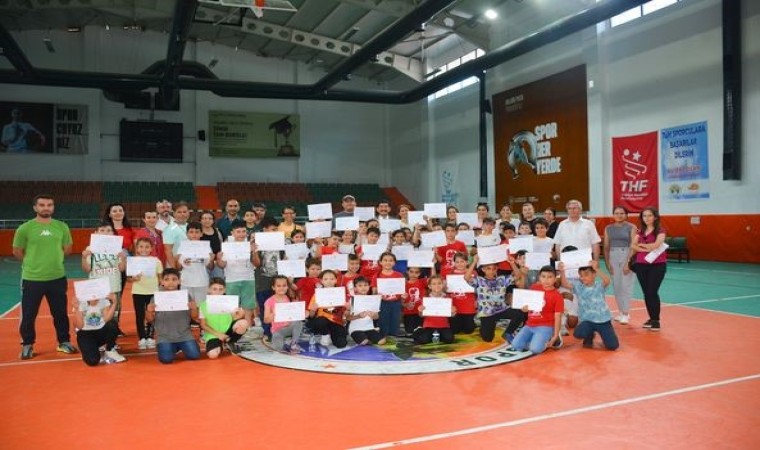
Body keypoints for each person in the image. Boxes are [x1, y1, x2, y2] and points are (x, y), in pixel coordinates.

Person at [13, 194, 77, 359]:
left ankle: (64, 342)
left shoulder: (62, 227)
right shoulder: (25, 228)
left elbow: (68, 249)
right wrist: (33, 263)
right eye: (42, 205)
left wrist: (53, 261)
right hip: (32, 279)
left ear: (53, 207)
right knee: (29, 315)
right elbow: (17, 251)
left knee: (60, 313)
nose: (46, 208)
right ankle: (27, 344)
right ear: (35, 207)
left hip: (57, 277)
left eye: (49, 205)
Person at [81, 222, 127, 341]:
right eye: (102, 230)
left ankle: (111, 342)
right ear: (95, 233)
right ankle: (99, 341)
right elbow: (87, 269)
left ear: (113, 233)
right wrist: (84, 257)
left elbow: (122, 269)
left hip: (113, 286)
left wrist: (123, 258)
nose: (105, 233)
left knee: (113, 315)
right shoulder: (90, 249)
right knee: (97, 314)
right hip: (97, 289)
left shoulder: (118, 249)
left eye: (108, 230)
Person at [464, 255, 526, 343]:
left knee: (520, 313)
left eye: (494, 269)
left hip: (501, 309)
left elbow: (518, 276)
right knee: (488, 338)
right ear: (483, 269)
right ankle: (485, 325)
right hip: (487, 313)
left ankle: (508, 333)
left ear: (497, 269)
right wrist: (474, 262)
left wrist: (512, 263)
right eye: (488, 268)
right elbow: (466, 278)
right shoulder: (479, 281)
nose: (491, 271)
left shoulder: (502, 279)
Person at [559, 261, 619, 350]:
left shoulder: (599, 285)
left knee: (613, 346)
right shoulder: (578, 287)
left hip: (603, 321)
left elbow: (607, 280)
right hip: (588, 321)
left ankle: (605, 334)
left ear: (594, 274)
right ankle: (589, 335)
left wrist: (596, 269)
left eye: (586, 275)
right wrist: (562, 271)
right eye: (581, 275)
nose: (583, 278)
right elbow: (565, 284)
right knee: (578, 333)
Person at [145, 269, 201, 364]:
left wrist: (194, 309)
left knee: (194, 355)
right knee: (166, 359)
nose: (170, 282)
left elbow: (194, 317)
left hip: (184, 334)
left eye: (174, 279)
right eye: (167, 279)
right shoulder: (156, 298)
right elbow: (149, 319)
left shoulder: (186, 296)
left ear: (179, 281)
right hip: (164, 336)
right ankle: (173, 347)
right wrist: (149, 311)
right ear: (162, 282)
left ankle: (177, 346)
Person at [509, 265, 564, 354]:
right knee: (516, 345)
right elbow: (527, 305)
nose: (546, 280)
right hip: (530, 324)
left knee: (535, 349)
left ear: (555, 279)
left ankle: (548, 338)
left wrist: (556, 335)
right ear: (539, 277)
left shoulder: (557, 296)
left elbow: (558, 316)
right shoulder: (535, 287)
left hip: (545, 326)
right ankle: (537, 340)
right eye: (543, 276)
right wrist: (524, 309)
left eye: (550, 277)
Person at [632, 207, 667, 331]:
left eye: (649, 215)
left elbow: (656, 245)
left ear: (655, 217)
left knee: (652, 292)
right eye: (644, 216)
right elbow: (633, 245)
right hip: (641, 265)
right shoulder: (640, 231)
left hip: (658, 265)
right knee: (646, 293)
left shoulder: (660, 231)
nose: (646, 218)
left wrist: (641, 246)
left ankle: (656, 321)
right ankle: (651, 318)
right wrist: (647, 247)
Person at [216, 220, 257, 325]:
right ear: (232, 233)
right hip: (231, 279)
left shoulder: (250, 244)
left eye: (244, 231)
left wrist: (253, 252)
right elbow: (222, 265)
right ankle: (232, 328)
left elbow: (256, 263)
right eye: (238, 232)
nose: (241, 234)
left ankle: (248, 327)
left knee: (248, 305)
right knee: (232, 306)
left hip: (248, 278)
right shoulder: (227, 245)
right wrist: (219, 258)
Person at [200, 278, 249, 358]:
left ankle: (231, 342)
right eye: (214, 289)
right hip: (213, 334)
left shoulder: (230, 302)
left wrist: (240, 314)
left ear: (224, 290)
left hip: (228, 331)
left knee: (244, 323)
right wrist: (218, 334)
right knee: (213, 355)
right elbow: (203, 325)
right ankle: (221, 345)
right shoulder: (203, 305)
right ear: (209, 290)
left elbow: (235, 319)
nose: (218, 292)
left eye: (220, 289)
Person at [604, 206, 637, 324]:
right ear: (613, 215)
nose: (619, 215)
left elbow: (634, 246)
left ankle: (626, 313)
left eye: (622, 213)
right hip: (613, 256)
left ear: (626, 215)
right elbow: (606, 247)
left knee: (626, 285)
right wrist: (607, 263)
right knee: (617, 286)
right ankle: (621, 312)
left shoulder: (632, 227)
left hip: (627, 254)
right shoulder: (608, 228)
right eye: (616, 213)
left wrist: (628, 263)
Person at [129, 237, 162, 350]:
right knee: (140, 315)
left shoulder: (156, 261)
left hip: (152, 291)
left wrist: (161, 290)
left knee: (151, 314)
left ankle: (150, 336)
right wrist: (133, 278)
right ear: (137, 248)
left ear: (151, 248)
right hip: (138, 292)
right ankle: (142, 337)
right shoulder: (133, 261)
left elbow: (160, 277)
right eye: (141, 247)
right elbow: (129, 279)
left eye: (147, 247)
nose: (144, 249)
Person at [72, 292, 122, 366]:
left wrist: (114, 303)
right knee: (92, 361)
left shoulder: (104, 301)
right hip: (85, 334)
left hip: (100, 331)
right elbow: (79, 326)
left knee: (112, 325)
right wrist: (76, 308)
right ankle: (92, 348)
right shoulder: (80, 303)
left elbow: (107, 319)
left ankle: (110, 350)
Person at [176, 222, 215, 308]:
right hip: (186, 281)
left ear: (201, 233)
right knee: (187, 306)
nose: (194, 234)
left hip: (202, 282)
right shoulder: (182, 247)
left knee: (202, 307)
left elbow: (210, 267)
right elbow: (178, 268)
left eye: (197, 232)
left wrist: (211, 260)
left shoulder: (206, 247)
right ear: (187, 234)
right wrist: (181, 262)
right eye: (191, 232)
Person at [307, 270, 349, 348]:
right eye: (326, 279)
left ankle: (332, 335)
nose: (329, 281)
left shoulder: (340, 293)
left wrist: (348, 308)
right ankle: (325, 334)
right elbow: (311, 316)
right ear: (321, 281)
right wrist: (313, 310)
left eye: (332, 279)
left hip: (337, 322)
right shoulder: (317, 294)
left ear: (336, 280)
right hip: (323, 321)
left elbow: (346, 314)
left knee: (341, 344)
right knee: (320, 321)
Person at [264, 276, 303, 353]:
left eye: (284, 285)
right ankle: (286, 341)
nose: (281, 288)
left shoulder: (289, 297)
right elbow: (266, 320)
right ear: (273, 287)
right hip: (278, 330)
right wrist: (274, 313)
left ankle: (293, 343)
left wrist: (299, 311)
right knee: (278, 349)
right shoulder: (269, 301)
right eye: (278, 286)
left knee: (298, 322)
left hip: (289, 327)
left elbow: (295, 313)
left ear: (287, 287)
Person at [413, 275, 456, 345]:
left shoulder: (447, 298)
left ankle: (436, 335)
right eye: (434, 284)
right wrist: (420, 311)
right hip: (429, 326)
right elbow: (421, 315)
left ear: (443, 285)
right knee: (423, 340)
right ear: (430, 286)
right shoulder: (426, 299)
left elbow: (451, 315)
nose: (437, 285)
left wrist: (453, 312)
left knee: (449, 339)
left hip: (443, 325)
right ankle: (424, 331)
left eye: (439, 283)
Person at [347, 276, 386, 346]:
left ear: (369, 286)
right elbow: (348, 318)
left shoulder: (373, 299)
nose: (363, 287)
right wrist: (358, 316)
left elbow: (377, 317)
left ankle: (369, 336)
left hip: (369, 328)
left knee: (382, 341)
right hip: (356, 329)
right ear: (355, 288)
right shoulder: (353, 300)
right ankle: (359, 337)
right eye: (360, 286)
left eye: (365, 285)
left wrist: (373, 315)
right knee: (364, 342)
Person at [446, 252, 476, 334]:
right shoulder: (450, 273)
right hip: (455, 307)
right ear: (454, 263)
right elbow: (446, 290)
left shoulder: (473, 273)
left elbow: (477, 288)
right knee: (454, 330)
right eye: (457, 262)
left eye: (462, 261)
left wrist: (477, 300)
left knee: (469, 330)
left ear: (467, 262)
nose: (460, 264)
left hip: (468, 307)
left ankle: (470, 322)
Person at [162, 201, 190, 269]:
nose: (182, 214)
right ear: (174, 214)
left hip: (189, 264)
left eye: (184, 212)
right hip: (175, 266)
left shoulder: (190, 226)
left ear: (188, 213)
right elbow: (168, 251)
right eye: (179, 212)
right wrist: (174, 269)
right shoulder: (169, 229)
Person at [199, 211, 223, 277]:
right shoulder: (197, 233)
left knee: (219, 281)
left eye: (210, 218)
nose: (207, 220)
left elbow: (221, 245)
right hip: (203, 264)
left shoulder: (217, 231)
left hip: (217, 264)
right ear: (200, 220)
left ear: (213, 221)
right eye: (204, 218)